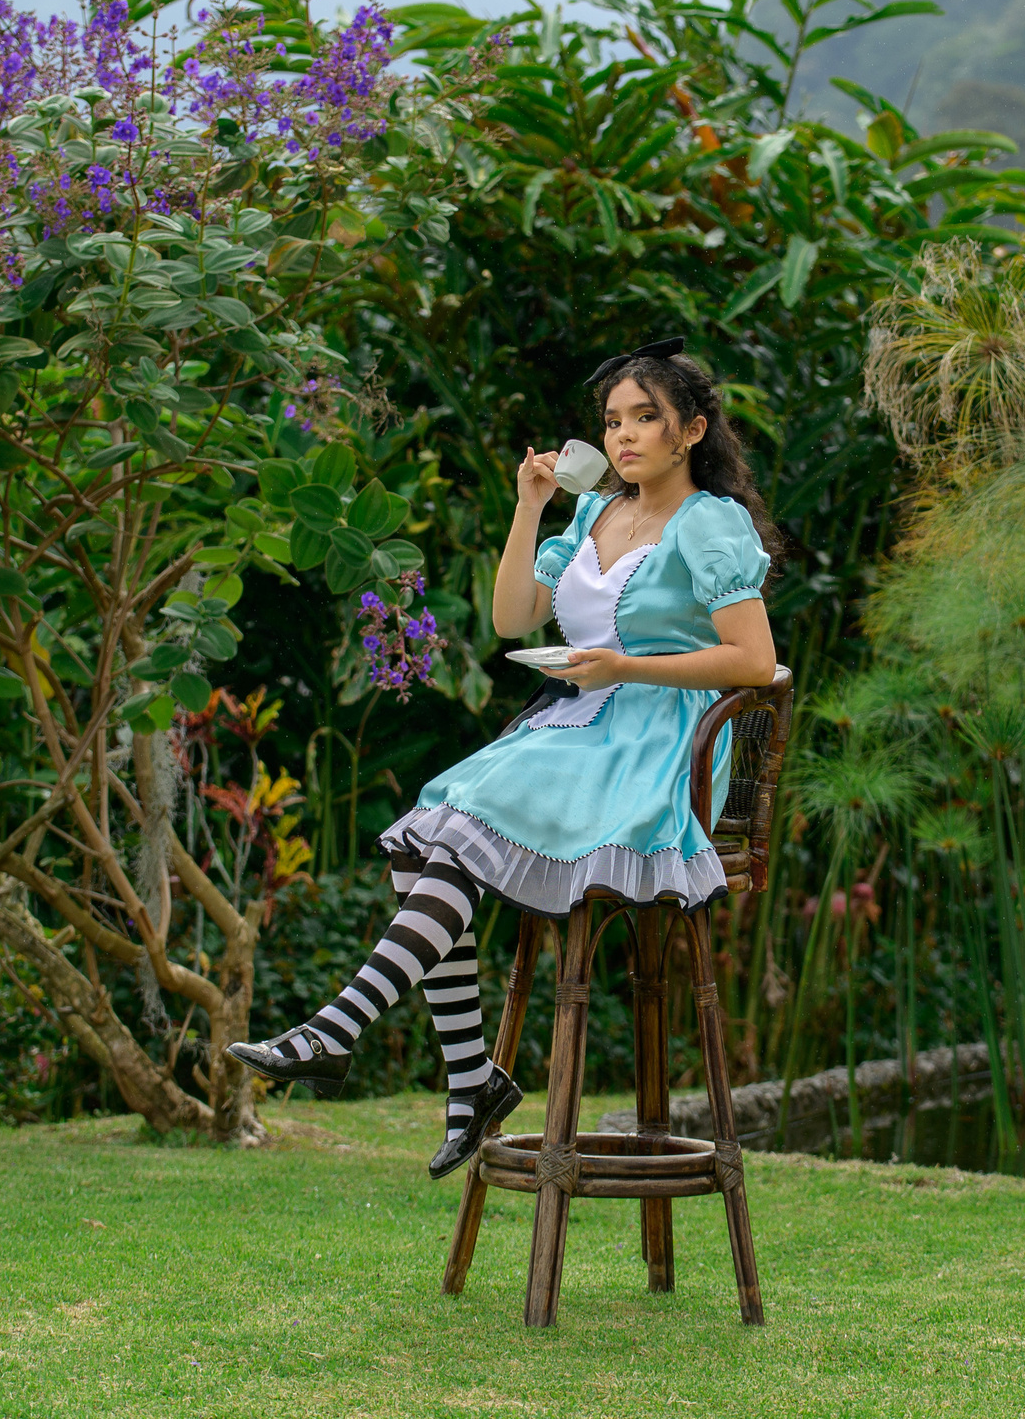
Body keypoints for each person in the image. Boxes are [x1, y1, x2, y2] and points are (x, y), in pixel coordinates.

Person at [229, 337, 781, 1179]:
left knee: (453, 827)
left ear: (692, 431)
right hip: (575, 725)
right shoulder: (594, 514)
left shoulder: (710, 523)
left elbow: (753, 661)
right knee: (423, 842)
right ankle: (470, 1080)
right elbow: (513, 620)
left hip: (658, 741)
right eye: (612, 421)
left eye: (645, 418)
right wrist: (530, 508)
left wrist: (625, 667)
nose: (624, 436)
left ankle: (341, 1030)